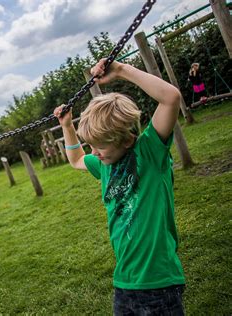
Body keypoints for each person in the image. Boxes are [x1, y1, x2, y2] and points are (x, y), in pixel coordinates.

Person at [54, 58, 185, 315]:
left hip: (159, 282)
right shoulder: (104, 165)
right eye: (92, 145)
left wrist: (122, 70)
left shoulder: (149, 152)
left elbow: (170, 98)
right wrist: (68, 126)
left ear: (125, 139)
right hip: (124, 282)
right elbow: (77, 159)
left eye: (100, 146)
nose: (95, 153)